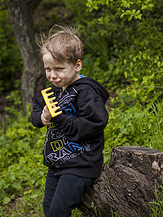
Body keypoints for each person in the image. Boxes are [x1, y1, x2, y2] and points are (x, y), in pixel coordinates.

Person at [30, 26, 109, 217]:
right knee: (48, 209)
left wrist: (60, 119)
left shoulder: (86, 91)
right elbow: (34, 112)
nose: (52, 75)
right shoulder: (54, 90)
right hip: (57, 162)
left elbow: (95, 123)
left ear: (77, 65)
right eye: (48, 69)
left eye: (59, 69)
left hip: (81, 163)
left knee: (58, 211)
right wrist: (42, 117)